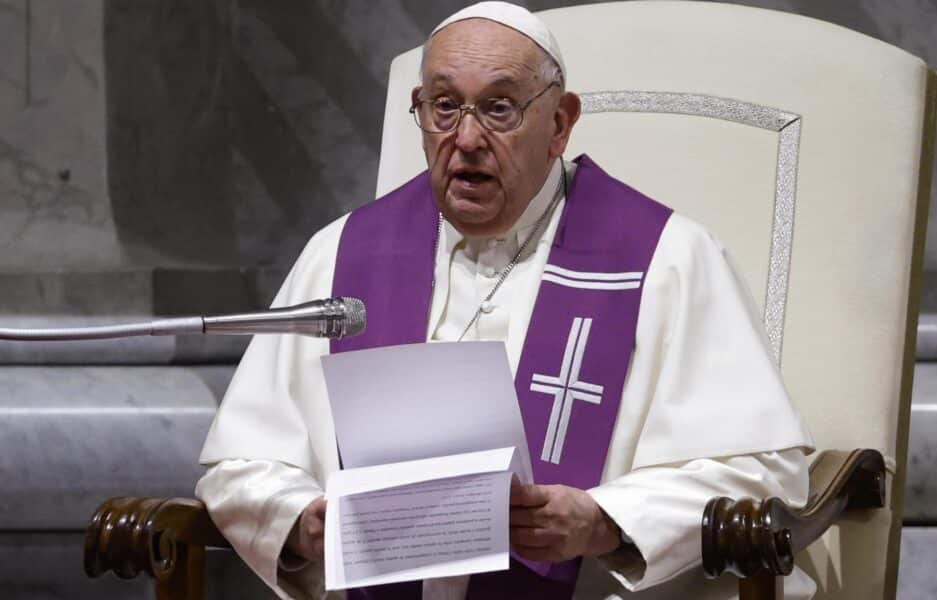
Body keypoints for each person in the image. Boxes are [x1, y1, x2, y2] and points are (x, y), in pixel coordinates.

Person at [196, 2, 815, 599]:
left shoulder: (667, 260)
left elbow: (762, 477)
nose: (465, 139)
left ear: (560, 125)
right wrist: (302, 523)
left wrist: (604, 520)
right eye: (443, 107)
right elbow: (242, 464)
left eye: (498, 108)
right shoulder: (342, 255)